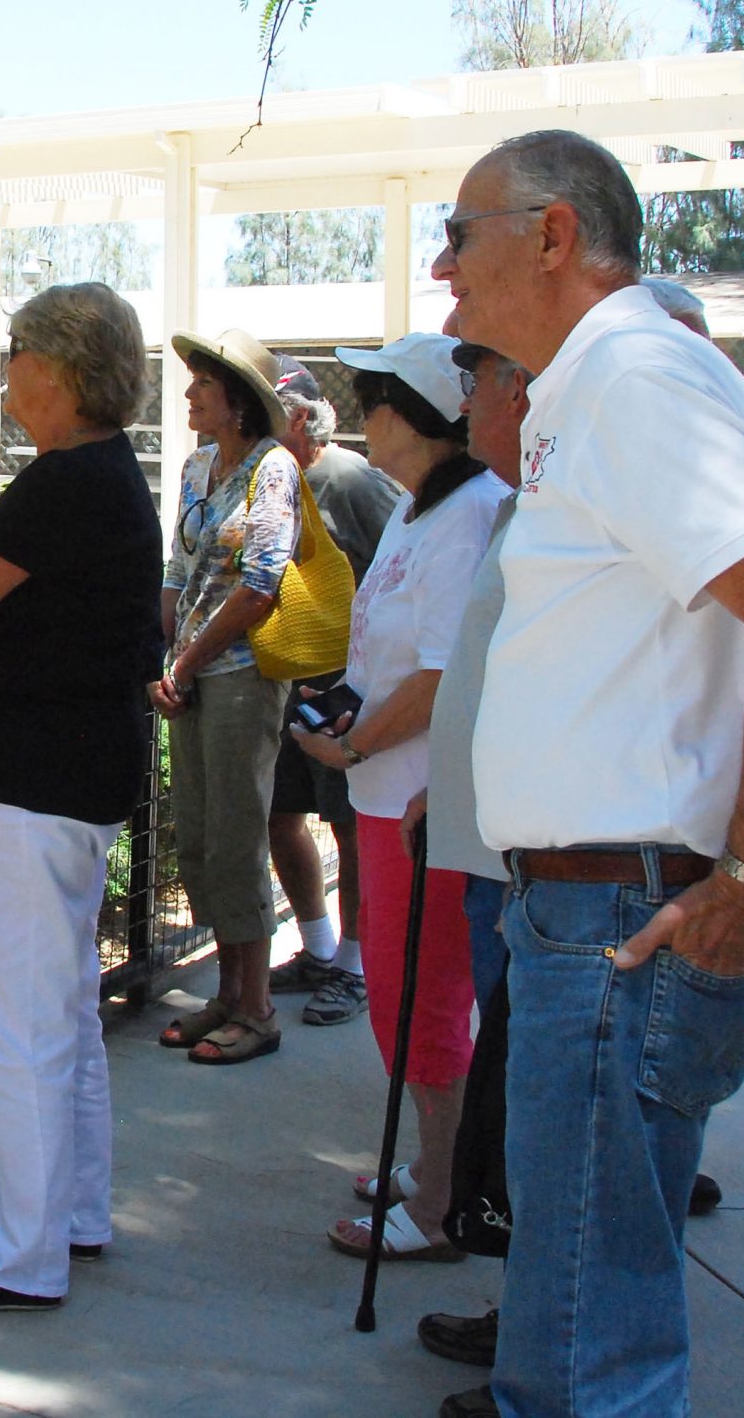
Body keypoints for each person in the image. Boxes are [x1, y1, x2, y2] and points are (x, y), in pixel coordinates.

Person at [436, 130, 744, 1418]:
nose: (442, 264)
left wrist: (743, 881)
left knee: (589, 1368)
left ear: (553, 234)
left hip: (622, 924)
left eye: (460, 233)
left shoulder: (632, 374)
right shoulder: (606, 382)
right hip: (597, 913)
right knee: (575, 1331)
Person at [0, 281, 162, 1311]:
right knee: (61, 1014)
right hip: (73, 780)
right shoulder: (107, 479)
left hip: (31, 790)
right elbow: (8, 614)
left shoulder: (62, 483)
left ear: (51, 370)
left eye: (13, 354)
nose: (5, 374)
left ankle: (22, 1255)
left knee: (16, 1025)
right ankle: (70, 1214)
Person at [287, 333, 509, 1263]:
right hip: (388, 789)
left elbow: (444, 672)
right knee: (405, 991)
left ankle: (444, 1202)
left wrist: (352, 741)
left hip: (421, 799)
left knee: (426, 996)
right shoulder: (427, 509)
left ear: (416, 416)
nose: (362, 415)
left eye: (374, 399)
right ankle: (436, 1160)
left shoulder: (469, 516)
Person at [150, 326, 306, 1065]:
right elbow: (178, 569)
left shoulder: (272, 469)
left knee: (240, 832)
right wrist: (167, 656)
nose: (187, 394)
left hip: (242, 672)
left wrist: (187, 660)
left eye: (202, 384)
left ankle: (257, 1005)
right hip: (192, 673)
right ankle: (228, 989)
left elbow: (260, 586)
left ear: (236, 399)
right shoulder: (198, 466)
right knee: (202, 832)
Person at [265, 356, 401, 1026]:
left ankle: (356, 964)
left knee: (349, 827)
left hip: (346, 689)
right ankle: (319, 948)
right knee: (279, 812)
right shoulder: (273, 481)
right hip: (288, 680)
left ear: (298, 417)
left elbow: (403, 557)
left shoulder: (349, 480)